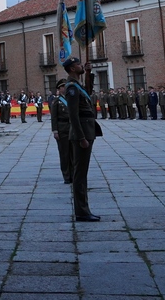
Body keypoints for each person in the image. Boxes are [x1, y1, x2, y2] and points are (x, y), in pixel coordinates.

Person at [64, 57, 102, 222]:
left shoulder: (77, 85)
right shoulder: (71, 88)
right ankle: (81, 211)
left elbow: (88, 91)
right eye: (79, 64)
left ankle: (84, 209)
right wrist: (81, 137)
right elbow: (73, 115)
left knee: (83, 173)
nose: (81, 65)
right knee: (80, 174)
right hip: (82, 134)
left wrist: (88, 72)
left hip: (88, 131)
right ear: (72, 68)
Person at [50, 78, 72, 183]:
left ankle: (73, 174)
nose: (65, 88)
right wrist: (55, 131)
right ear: (59, 89)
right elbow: (54, 117)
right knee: (64, 154)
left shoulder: (71, 99)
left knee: (73, 153)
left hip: (72, 128)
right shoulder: (56, 101)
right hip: (62, 129)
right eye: (63, 87)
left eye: (65, 86)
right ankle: (67, 176)